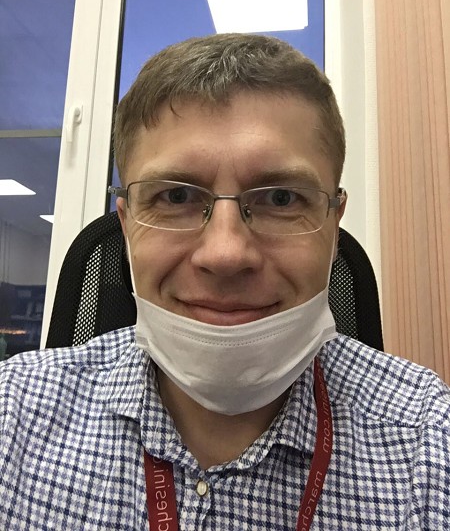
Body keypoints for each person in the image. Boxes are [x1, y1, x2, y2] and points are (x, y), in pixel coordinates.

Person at [1, 34, 449, 530]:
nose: (226, 254)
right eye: (175, 197)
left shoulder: (427, 442)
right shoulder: (13, 412)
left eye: (281, 198)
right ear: (127, 225)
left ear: (333, 223)